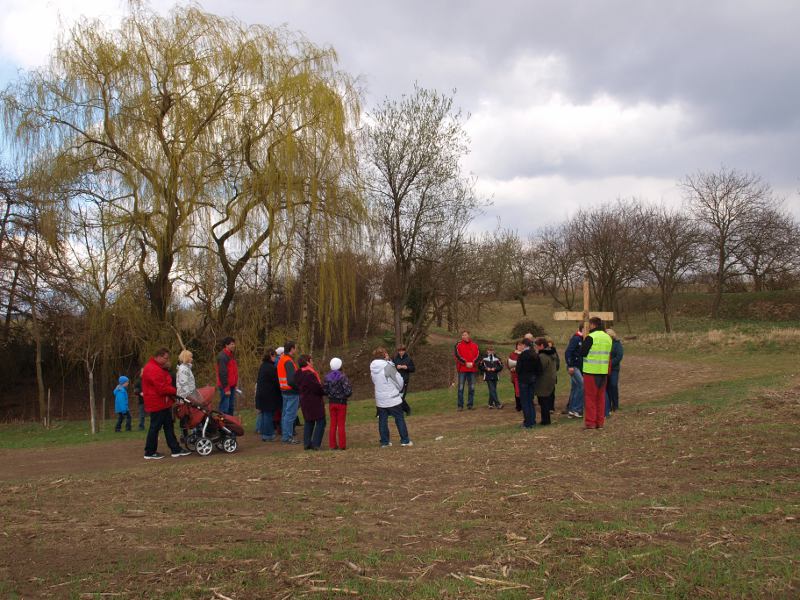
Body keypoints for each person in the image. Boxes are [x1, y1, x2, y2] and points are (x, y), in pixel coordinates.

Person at [142, 348, 190, 459]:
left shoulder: (155, 368)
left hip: (162, 402)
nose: (167, 360)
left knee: (168, 426)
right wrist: (176, 391)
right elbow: (162, 388)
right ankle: (150, 451)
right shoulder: (154, 369)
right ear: (159, 356)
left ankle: (175, 449)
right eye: (165, 358)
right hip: (158, 403)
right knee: (156, 427)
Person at [370, 347, 413, 447]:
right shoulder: (388, 367)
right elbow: (398, 380)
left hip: (380, 399)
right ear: (384, 355)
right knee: (399, 418)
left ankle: (384, 442)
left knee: (382, 420)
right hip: (392, 397)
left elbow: (374, 381)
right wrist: (398, 389)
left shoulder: (373, 367)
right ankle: (405, 441)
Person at [580, 317, 613, 430]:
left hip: (591, 371)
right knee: (600, 398)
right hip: (603, 372)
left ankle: (591, 423)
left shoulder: (591, 337)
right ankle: (600, 422)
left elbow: (583, 353)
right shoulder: (608, 337)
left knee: (590, 398)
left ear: (593, 325)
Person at [295, 355, 326, 451]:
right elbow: (317, 388)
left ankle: (307, 443)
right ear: (307, 362)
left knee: (309, 421)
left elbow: (292, 383)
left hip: (304, 400)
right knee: (321, 421)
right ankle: (316, 444)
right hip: (314, 401)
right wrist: (324, 391)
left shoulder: (298, 373)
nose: (313, 363)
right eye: (311, 361)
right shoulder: (309, 374)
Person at [324, 357, 352, 450]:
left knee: (332, 424)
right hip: (341, 403)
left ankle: (332, 445)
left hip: (331, 402)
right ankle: (342, 445)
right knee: (341, 424)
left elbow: (325, 390)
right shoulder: (343, 377)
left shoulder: (327, 377)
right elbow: (348, 391)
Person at [255, 348, 282, 442]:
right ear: (271, 355)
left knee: (264, 414)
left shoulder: (263, 366)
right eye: (274, 356)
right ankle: (268, 435)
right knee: (268, 414)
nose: (275, 358)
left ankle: (264, 432)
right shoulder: (271, 367)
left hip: (261, 394)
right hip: (268, 395)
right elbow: (276, 382)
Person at [277, 341, 301, 444]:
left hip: (284, 390)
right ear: (291, 349)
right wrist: (299, 388)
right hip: (291, 392)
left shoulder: (282, 359)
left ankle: (285, 436)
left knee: (285, 414)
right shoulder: (288, 362)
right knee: (290, 416)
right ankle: (288, 437)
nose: (296, 350)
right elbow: (291, 380)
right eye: (295, 348)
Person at [515, 338, 540, 429]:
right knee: (530, 401)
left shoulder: (522, 355)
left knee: (525, 402)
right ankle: (532, 420)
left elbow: (518, 369)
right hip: (532, 380)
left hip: (524, 381)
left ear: (525, 345)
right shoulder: (535, 355)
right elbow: (539, 369)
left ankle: (528, 422)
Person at [454, 330, 480, 411]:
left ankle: (470, 405)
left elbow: (478, 356)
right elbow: (457, 356)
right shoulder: (458, 345)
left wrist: (473, 363)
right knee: (461, 388)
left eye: (465, 335)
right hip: (462, 369)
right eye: (462, 335)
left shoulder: (475, 345)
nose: (463, 336)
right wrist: (465, 363)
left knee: (472, 387)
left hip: (472, 369)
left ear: (469, 335)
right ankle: (460, 406)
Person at [534, 338, 557, 425]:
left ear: (542, 346)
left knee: (543, 401)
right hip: (550, 379)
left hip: (543, 381)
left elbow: (540, 368)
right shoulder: (552, 353)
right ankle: (546, 419)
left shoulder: (543, 356)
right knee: (546, 400)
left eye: (537, 346)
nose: (536, 348)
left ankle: (546, 420)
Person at [565, 324, 584, 418]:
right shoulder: (576, 338)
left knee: (575, 388)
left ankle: (571, 410)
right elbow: (568, 352)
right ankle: (576, 409)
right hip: (574, 366)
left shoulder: (582, 339)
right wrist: (570, 365)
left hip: (578, 366)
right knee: (582, 385)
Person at [216, 337, 239, 415]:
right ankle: (222, 425)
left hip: (231, 386)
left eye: (234, 344)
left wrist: (235, 384)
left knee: (231, 407)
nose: (234, 346)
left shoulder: (231, 355)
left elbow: (233, 371)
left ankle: (230, 425)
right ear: (226, 345)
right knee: (224, 408)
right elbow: (222, 373)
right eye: (232, 344)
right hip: (225, 386)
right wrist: (226, 388)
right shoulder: (222, 356)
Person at [392, 345, 416, 414]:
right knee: (397, 396)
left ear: (405, 351)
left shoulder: (408, 359)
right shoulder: (395, 359)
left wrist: (406, 367)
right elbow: (391, 368)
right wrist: (396, 367)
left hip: (405, 380)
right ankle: (402, 410)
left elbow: (413, 369)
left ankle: (407, 410)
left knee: (401, 397)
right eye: (399, 351)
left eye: (402, 351)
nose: (401, 352)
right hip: (396, 381)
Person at [606, 329, 624, 414]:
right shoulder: (605, 343)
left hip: (614, 369)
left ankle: (615, 405)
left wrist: (610, 363)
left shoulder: (617, 344)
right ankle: (608, 405)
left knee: (613, 385)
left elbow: (619, 356)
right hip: (605, 369)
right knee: (607, 386)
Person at [508, 340, 524, 412]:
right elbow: (508, 364)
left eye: (521, 345)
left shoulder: (525, 354)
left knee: (524, 391)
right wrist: (511, 368)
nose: (520, 347)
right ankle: (518, 406)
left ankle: (524, 405)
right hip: (516, 376)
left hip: (523, 376)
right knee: (517, 391)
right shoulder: (512, 354)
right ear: (516, 346)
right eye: (519, 345)